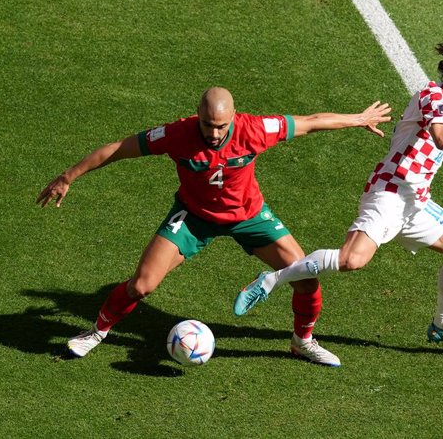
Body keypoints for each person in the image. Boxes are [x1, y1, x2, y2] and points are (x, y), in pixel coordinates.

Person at [37, 86, 391, 367]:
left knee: (305, 278)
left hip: (250, 217)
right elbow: (119, 148)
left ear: (234, 118)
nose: (215, 133)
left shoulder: (256, 129)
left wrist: (358, 119)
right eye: (208, 125)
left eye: (222, 126)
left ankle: (302, 342)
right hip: (193, 218)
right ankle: (96, 332)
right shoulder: (177, 134)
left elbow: (311, 120)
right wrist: (68, 176)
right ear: (198, 118)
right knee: (142, 285)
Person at [234, 35, 443, 353]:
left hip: (416, 202)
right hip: (389, 193)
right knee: (351, 260)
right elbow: (442, 139)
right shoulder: (434, 94)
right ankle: (270, 280)